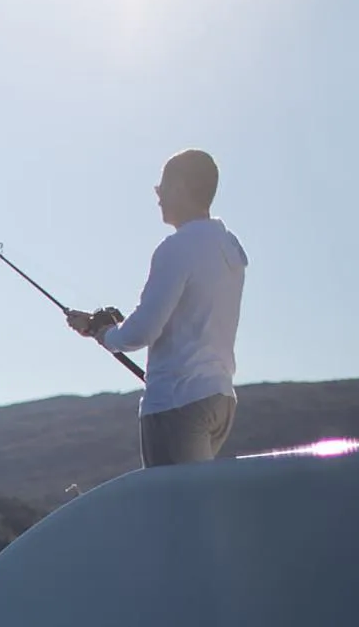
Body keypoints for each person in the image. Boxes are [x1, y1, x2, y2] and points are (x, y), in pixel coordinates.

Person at [67, 149, 248, 468]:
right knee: (196, 505)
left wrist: (104, 334)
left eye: (161, 187)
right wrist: (109, 328)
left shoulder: (176, 248)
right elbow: (189, 317)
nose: (158, 195)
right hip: (219, 399)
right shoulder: (229, 247)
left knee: (177, 511)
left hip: (178, 403)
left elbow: (141, 332)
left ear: (179, 186)